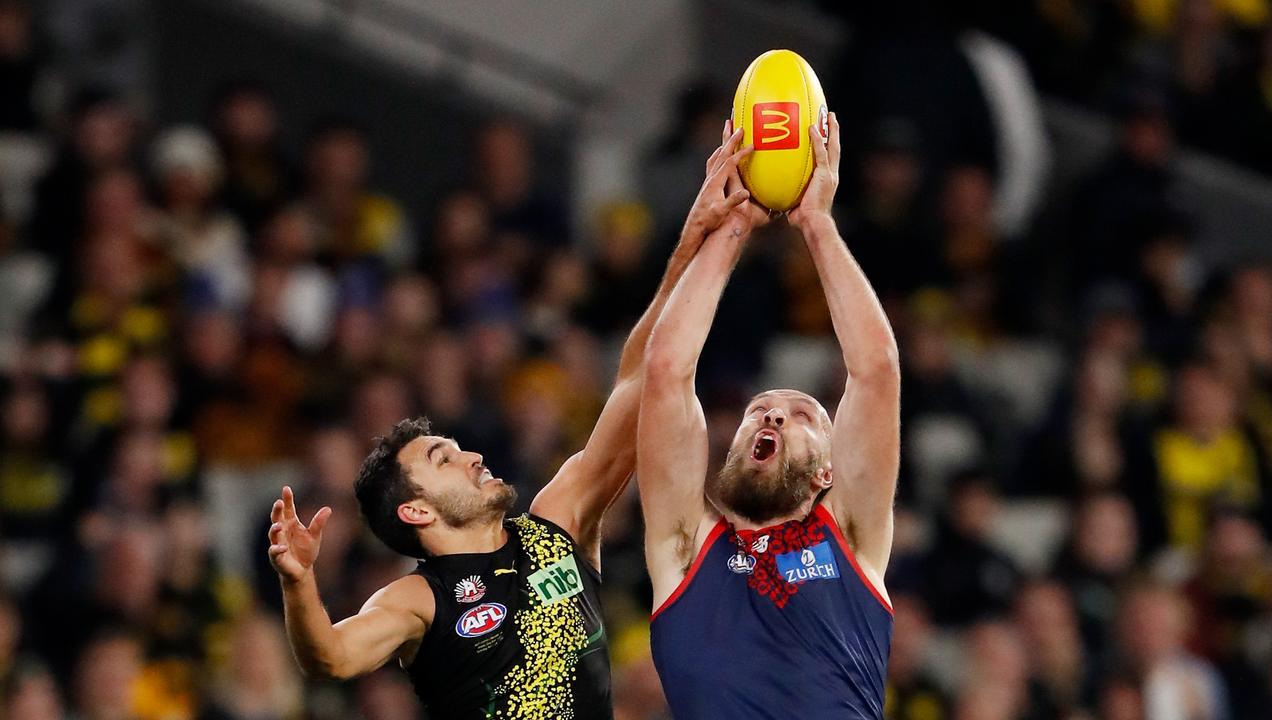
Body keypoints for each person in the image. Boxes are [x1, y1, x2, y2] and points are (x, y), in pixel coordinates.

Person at [264, 125, 757, 719]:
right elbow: (332, 658)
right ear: (416, 511)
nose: (471, 456)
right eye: (441, 460)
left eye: (455, 446)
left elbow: (638, 380)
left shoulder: (560, 522)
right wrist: (297, 582)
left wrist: (702, 241)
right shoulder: (419, 600)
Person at [639, 112, 899, 718]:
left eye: (803, 415)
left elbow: (876, 370)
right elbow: (665, 371)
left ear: (827, 474)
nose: (773, 417)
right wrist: (734, 227)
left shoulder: (852, 535)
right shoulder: (683, 548)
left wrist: (817, 225)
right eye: (760, 411)